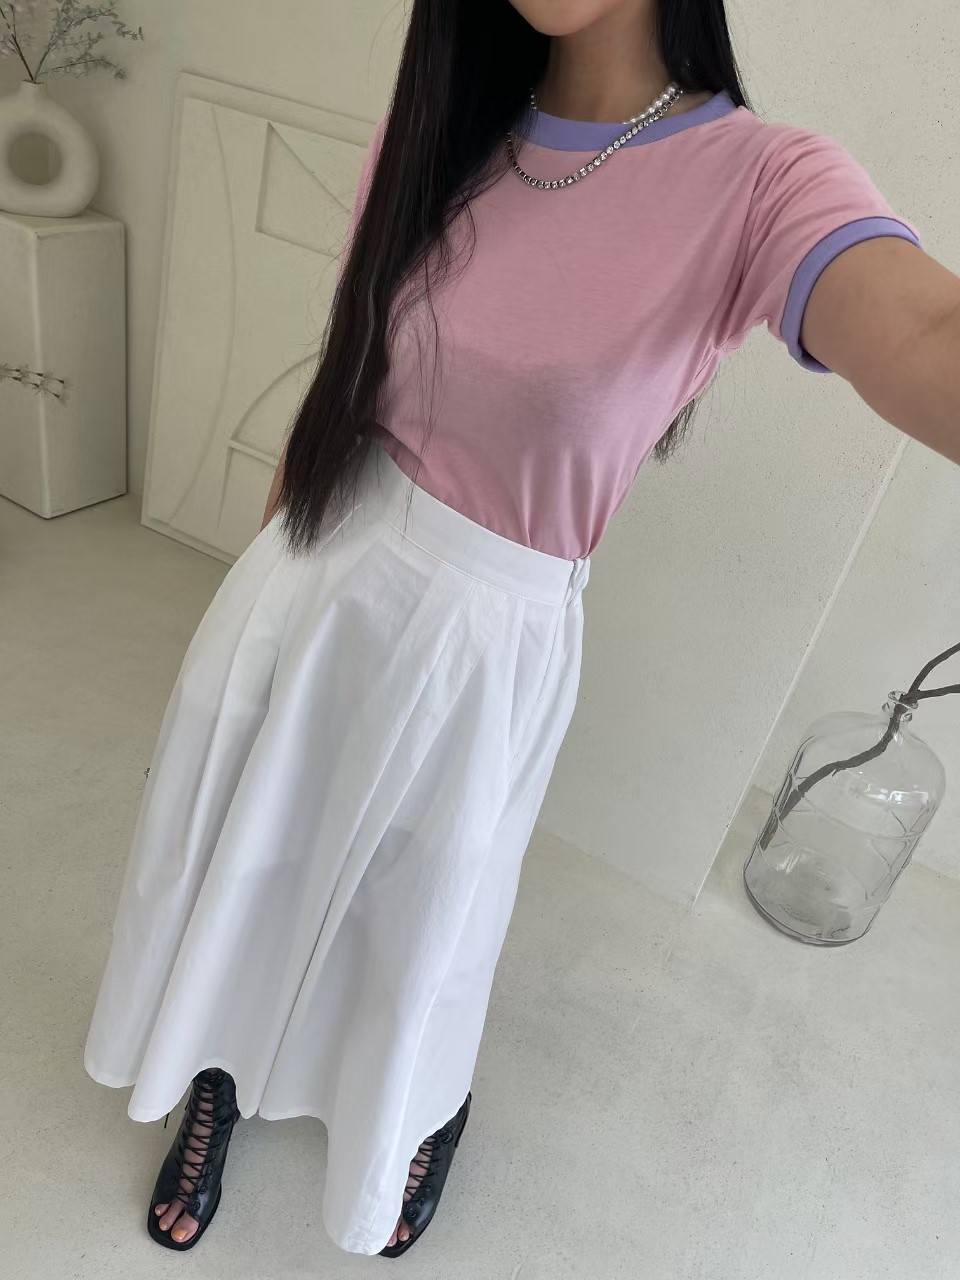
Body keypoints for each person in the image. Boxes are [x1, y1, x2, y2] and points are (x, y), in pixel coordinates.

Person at [83, 0, 960, 1260]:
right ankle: (214, 1074)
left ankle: (427, 1106)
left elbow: (921, 327)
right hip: (313, 574)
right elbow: (351, 358)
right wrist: (264, 585)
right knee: (247, 856)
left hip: (482, 635)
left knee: (421, 920)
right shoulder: (446, 124)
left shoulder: (763, 182)